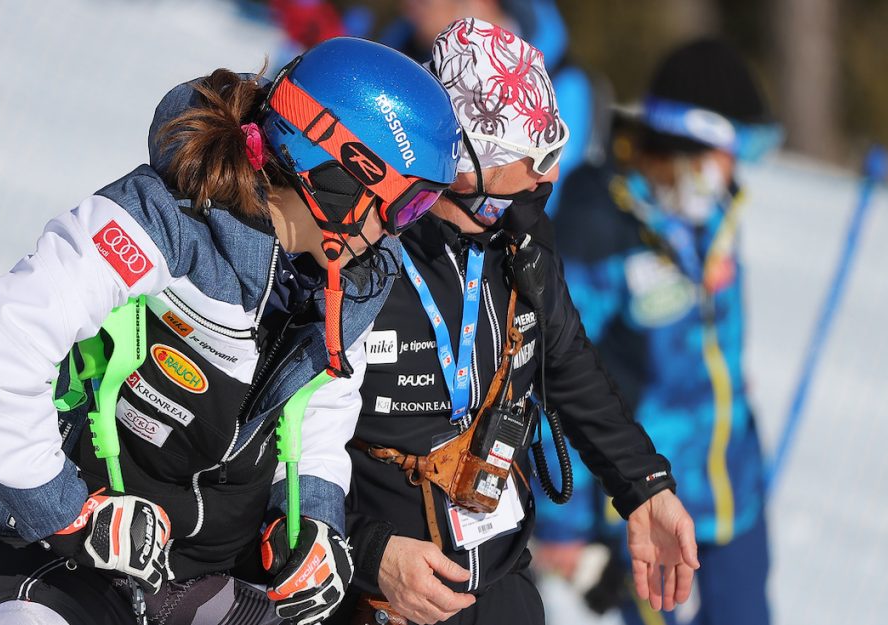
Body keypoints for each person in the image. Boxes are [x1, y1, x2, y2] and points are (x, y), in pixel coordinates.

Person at [0, 37, 462, 625]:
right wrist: (68, 512)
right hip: (46, 559)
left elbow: (321, 401)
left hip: (200, 577)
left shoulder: (346, 285)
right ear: (341, 177)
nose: (399, 232)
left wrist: (313, 519)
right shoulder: (161, 222)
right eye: (408, 206)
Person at [327, 19, 699, 625]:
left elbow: (567, 359)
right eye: (536, 155)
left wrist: (644, 485)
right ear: (468, 160)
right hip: (377, 597)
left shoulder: (520, 233)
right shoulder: (355, 248)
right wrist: (370, 553)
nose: (547, 175)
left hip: (498, 585)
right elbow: (269, 449)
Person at [534, 38, 784, 625]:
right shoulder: (598, 224)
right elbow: (554, 373)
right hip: (649, 503)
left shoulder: (713, 207)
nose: (733, 172)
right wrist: (563, 523)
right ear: (685, 144)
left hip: (733, 489)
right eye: (727, 153)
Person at [379, 0, 613, 218]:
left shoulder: (562, 80)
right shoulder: (393, 59)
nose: (411, 8)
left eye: (425, 2)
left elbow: (549, 191)